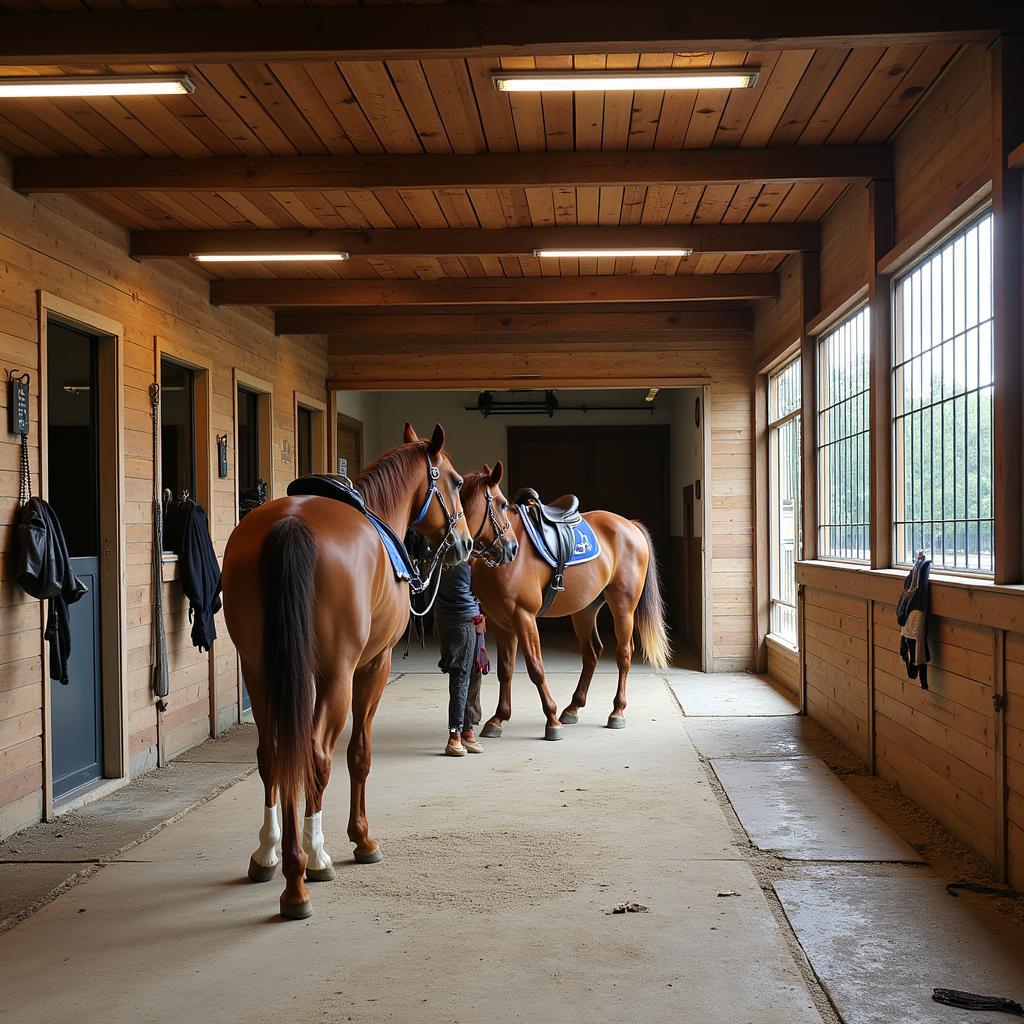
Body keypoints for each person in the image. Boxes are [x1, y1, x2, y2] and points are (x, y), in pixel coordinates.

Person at [435, 561, 489, 756]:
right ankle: (454, 735)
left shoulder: (435, 558)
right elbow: (484, 590)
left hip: (446, 620)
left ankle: (466, 731)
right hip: (465, 621)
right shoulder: (470, 561)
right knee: (460, 680)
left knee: (468, 676)